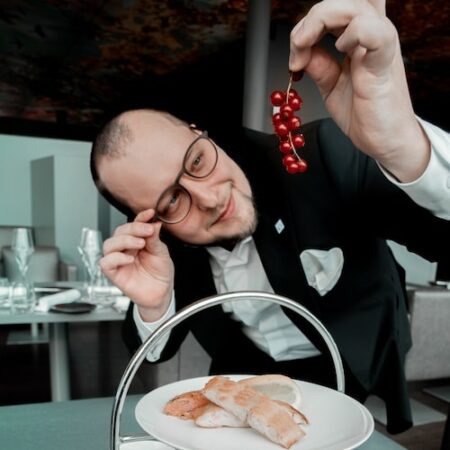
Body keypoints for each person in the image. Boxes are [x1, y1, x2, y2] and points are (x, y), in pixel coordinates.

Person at [90, 0, 450, 434]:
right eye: (171, 202)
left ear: (199, 132)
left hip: (349, 350)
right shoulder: (164, 248)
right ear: (147, 220)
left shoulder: (321, 156)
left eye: (197, 160)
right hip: (247, 366)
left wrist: (404, 147)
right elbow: (155, 349)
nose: (209, 198)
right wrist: (153, 307)